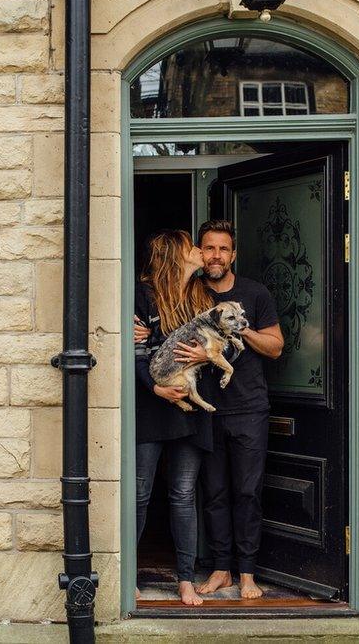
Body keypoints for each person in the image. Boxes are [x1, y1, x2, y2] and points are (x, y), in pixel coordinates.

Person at [193, 220, 284, 600]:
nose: (215, 255)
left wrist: (239, 327)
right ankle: (221, 570)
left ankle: (247, 574)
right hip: (207, 410)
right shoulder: (192, 294)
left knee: (247, 493)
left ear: (233, 254)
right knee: (213, 493)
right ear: (200, 253)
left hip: (248, 408)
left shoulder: (255, 294)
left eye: (222, 249)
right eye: (208, 248)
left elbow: (276, 346)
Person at [133, 229, 215, 606]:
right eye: (192, 247)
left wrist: (206, 357)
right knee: (138, 495)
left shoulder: (201, 297)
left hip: (191, 411)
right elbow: (133, 354)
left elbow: (223, 346)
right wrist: (155, 388)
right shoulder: (142, 295)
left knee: (183, 495)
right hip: (151, 410)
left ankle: (185, 579)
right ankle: (127, 574)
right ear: (174, 255)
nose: (200, 252)